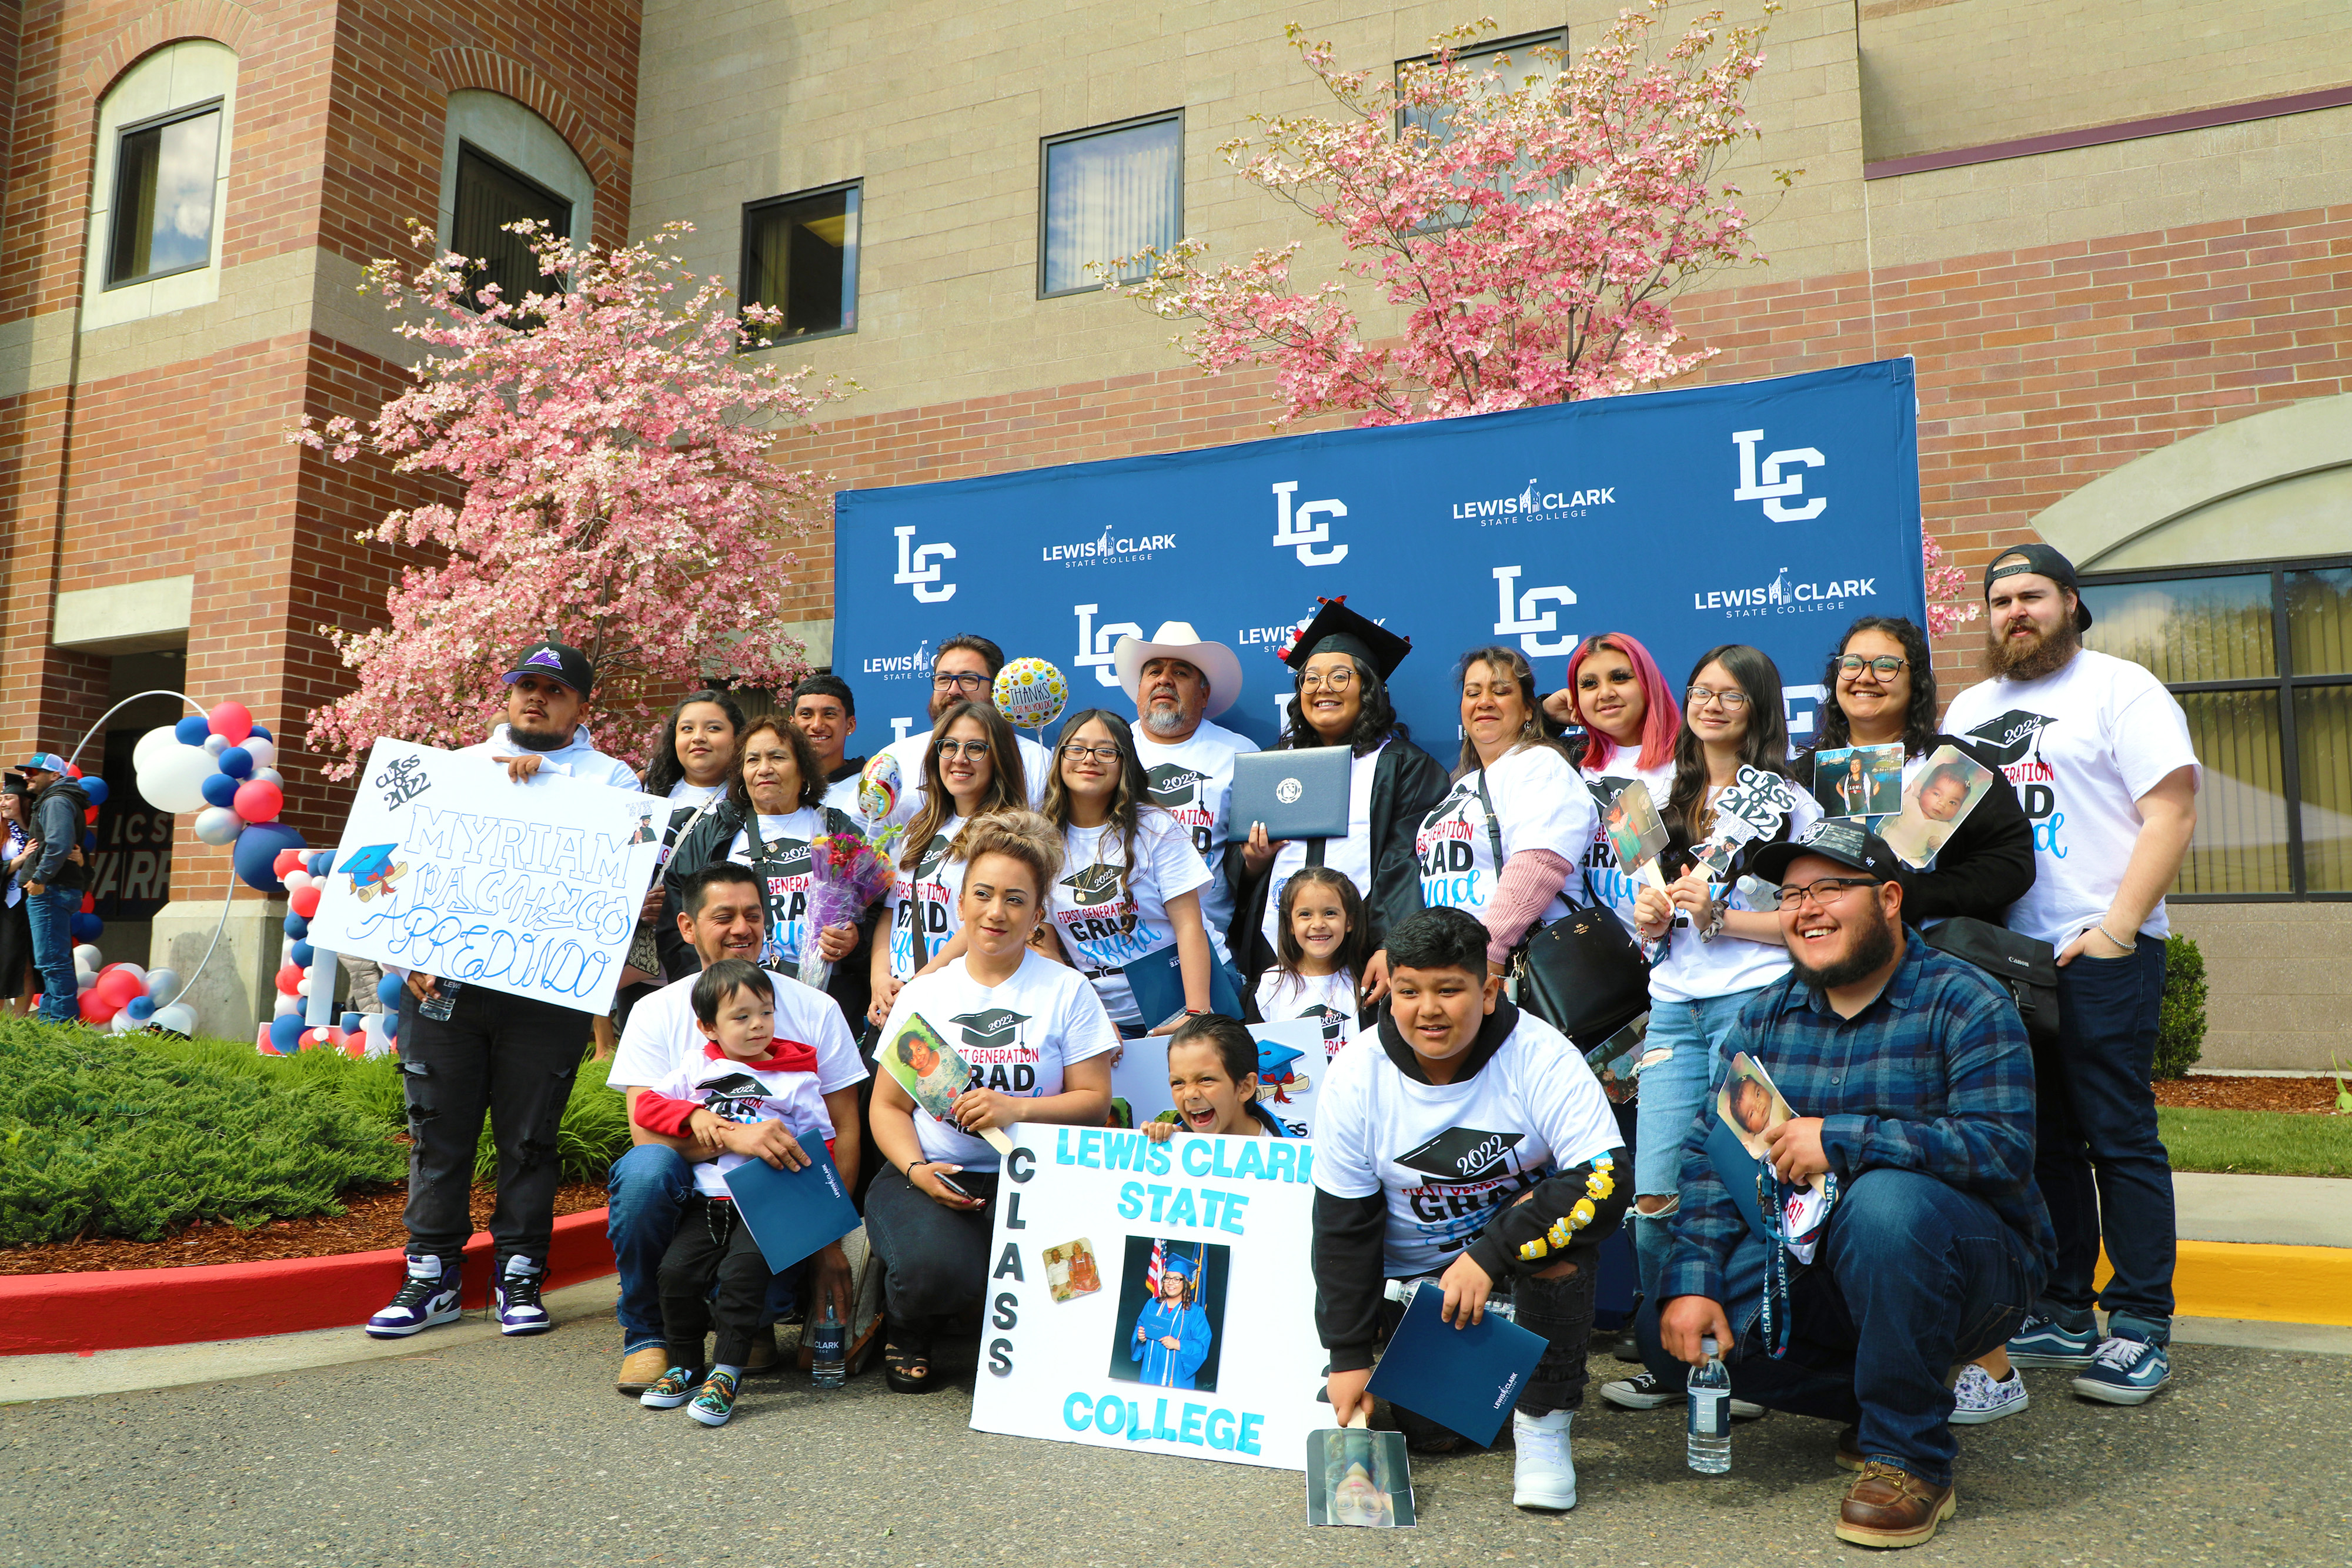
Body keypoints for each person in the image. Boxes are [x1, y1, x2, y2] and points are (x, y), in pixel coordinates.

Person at [1641, 820, 2053, 1550]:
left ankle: (1909, 1458)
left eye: (1831, 888)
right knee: (1666, 1328)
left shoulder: (1965, 1000)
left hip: (1974, 1271)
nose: (1807, 908)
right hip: (1818, 1260)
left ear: (1889, 899)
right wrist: (1694, 1283)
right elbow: (1712, 1156)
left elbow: (2001, 1149)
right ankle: (1884, 1396)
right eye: (1791, 894)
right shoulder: (1766, 1017)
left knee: (1885, 1204)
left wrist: (1841, 1139)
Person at [1943, 543, 2199, 1406]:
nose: (2015, 612)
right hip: (2000, 958)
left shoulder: (2122, 688)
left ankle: (2140, 1323)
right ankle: (2060, 1306)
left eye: (2033, 596)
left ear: (2071, 603)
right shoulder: (1971, 707)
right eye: (2000, 600)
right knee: (2043, 1137)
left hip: (2099, 948)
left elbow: (2171, 812)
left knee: (2117, 1134)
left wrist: (2118, 929)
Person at [368, 640, 642, 1340]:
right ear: (508, 694)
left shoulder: (612, 780)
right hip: (445, 990)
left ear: (582, 706)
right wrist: (402, 955)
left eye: (554, 690)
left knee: (530, 1141)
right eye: (526, 685)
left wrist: (552, 790)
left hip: (545, 996)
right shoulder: (455, 769)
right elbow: (392, 862)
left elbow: (627, 871)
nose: (536, 698)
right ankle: (430, 1276)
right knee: (437, 1135)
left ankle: (519, 1274)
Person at [1314, 906, 1630, 1512]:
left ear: (1488, 993)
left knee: (1561, 1243)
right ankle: (1471, 1378)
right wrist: (1346, 1355)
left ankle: (1543, 1422)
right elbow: (1341, 1227)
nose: (1427, 1009)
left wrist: (1489, 1254)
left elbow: (1607, 1178)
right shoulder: (1354, 1074)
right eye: (1409, 991)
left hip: (1508, 1272)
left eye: (1448, 990)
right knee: (1432, 1432)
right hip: (1414, 1290)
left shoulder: (1540, 1053)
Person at [1605, 644, 1822, 1413]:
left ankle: (1746, 1360)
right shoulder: (1651, 797)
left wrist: (1721, 916)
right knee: (1656, 1195)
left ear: (1759, 706)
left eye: (1731, 694)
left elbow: (1812, 920)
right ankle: (1674, 1358)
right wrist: (1649, 916)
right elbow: (1650, 919)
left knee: (1748, 1181)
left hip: (1754, 1003)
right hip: (1672, 1005)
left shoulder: (1790, 802)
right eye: (1701, 690)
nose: (1712, 705)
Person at [864, 811, 1117, 1392]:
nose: (996, 912)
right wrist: (918, 1169)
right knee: (935, 1273)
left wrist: (1016, 1109)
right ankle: (907, 1321)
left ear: (1038, 914)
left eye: (1014, 899)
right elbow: (888, 1108)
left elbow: (1095, 1101)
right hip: (936, 1173)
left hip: (1041, 1180)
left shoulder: (1068, 990)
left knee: (1075, 1289)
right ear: (960, 903)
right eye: (982, 894)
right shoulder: (926, 994)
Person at [604, 861, 866, 1395]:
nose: (742, 928)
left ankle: (752, 1323)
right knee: (645, 1172)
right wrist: (732, 1134)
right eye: (723, 917)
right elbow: (646, 1135)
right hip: (695, 1192)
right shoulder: (656, 1011)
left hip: (778, 1197)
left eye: (753, 914)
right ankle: (647, 1334)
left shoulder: (815, 1008)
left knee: (755, 1292)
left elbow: (843, 1128)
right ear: (687, 927)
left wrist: (827, 1242)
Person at [631, 959, 852, 1427]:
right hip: (708, 1201)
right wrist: (694, 1115)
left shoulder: (797, 1078)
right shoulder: (697, 1067)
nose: (758, 1025)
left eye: (766, 1012)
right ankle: (685, 1366)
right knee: (675, 1273)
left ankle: (726, 1373)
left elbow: (823, 1144)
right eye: (742, 1016)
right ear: (708, 1027)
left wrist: (819, 1219)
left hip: (767, 1203)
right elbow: (647, 1106)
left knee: (741, 1278)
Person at [1236, 597, 1449, 1005]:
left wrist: (1392, 946)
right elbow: (1238, 876)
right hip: (1277, 952)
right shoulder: (1273, 765)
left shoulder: (1402, 766)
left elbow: (1404, 861)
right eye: (1311, 678)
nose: (1323, 688)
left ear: (1369, 689)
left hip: (1366, 951)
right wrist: (1253, 862)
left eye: (1339, 677)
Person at [1795, 616, 2034, 928]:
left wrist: (1917, 893)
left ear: (1915, 682)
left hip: (1934, 948)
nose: (1864, 678)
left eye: (1885, 666)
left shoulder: (1955, 765)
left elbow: (2011, 864)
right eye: (1852, 664)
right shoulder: (1802, 776)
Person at [1416, 646, 1595, 975]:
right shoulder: (1463, 784)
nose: (1484, 701)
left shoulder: (1539, 764)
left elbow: (1540, 862)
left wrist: (1490, 949)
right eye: (1473, 693)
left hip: (1513, 966)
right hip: (1453, 963)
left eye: (1500, 691)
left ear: (1529, 710)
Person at [1037, 709, 1215, 1034]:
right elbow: (1043, 946)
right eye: (1076, 749)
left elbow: (1190, 925)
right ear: (1059, 758)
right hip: (1105, 1015)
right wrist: (1089, 1016)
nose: (1089, 759)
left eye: (1106, 752)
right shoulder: (1042, 840)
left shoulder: (1156, 827)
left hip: (1189, 998)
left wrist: (1197, 1015)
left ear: (1124, 763)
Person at [867, 698, 1028, 1027]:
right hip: (899, 1000)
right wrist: (880, 981)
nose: (959, 758)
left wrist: (919, 985)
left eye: (976, 748)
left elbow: (984, 922)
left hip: (959, 1001)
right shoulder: (918, 827)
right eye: (949, 746)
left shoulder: (1008, 834)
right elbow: (892, 912)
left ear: (999, 758)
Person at [666, 717, 860, 991]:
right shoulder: (715, 831)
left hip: (821, 991)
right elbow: (679, 916)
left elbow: (873, 913)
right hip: (732, 991)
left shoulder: (837, 830)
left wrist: (855, 939)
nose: (764, 769)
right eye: (753, 760)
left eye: (777, 757)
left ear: (803, 769)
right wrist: (707, 988)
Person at [1114, 621, 1258, 973]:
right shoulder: (1109, 749)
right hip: (1119, 953)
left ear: (1204, 695)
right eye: (1154, 671)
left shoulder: (1240, 754)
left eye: (1180, 672)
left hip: (1210, 947)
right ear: (1139, 690)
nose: (1164, 679)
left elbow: (1251, 864)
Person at [1558, 631, 1681, 941]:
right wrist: (1546, 717)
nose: (1605, 693)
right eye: (1589, 684)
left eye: (1620, 678)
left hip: (1676, 947)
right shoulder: (1567, 761)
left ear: (1648, 683)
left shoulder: (1693, 759)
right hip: (1595, 951)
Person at [874, 635, 1054, 825]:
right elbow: (866, 836)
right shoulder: (895, 758)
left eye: (968, 679)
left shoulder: (1038, 761)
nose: (953, 690)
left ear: (996, 690)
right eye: (943, 679)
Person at [1250, 865, 1368, 1058]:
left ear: (1349, 922)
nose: (1318, 924)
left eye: (1330, 913)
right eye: (1305, 914)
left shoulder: (1367, 982)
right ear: (1290, 924)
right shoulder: (1272, 984)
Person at [14, 753, 88, 1025]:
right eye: (26, 772)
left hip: (50, 890)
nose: (26, 777)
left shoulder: (56, 801)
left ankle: (60, 1023)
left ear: (55, 775)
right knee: (51, 960)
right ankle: (50, 1019)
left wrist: (40, 878)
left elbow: (59, 843)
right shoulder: (58, 799)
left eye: (34, 772)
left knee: (52, 961)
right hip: (57, 888)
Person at [1142, 1012, 1298, 1140]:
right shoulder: (1169, 1148)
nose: (1189, 1094)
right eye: (1178, 1083)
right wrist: (1160, 1147)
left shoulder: (1298, 1160)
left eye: (1206, 1080)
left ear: (1245, 1087)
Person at [1129, 1252, 1212, 1388]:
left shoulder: (1195, 1312)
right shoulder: (1152, 1304)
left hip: (1176, 1376)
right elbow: (1140, 1326)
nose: (1170, 1283)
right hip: (1150, 1371)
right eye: (1167, 1278)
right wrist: (1140, 1336)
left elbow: (1202, 1346)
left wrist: (1178, 1344)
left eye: (1176, 1279)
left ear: (1186, 1282)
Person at [790, 674, 867, 816]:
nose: (817, 726)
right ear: (792, 724)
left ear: (850, 725)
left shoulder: (869, 786)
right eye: (806, 714)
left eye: (829, 714)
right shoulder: (775, 784)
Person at [1, 778, 39, 1015]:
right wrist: (21, 859)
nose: (2, 803)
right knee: (3, 965)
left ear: (23, 801)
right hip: (6, 906)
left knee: (28, 967)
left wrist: (80, 858)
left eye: (8, 798)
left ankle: (20, 1022)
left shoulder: (38, 829)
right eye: (1, 799)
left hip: (34, 903)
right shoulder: (2, 833)